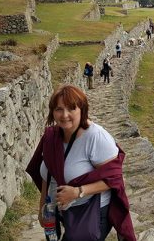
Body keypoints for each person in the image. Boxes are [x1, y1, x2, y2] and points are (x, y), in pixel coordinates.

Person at [26, 85, 135, 241]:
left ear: (82, 110)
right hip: (59, 210)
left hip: (90, 213)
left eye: (71, 109)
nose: (64, 115)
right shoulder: (51, 137)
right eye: (59, 109)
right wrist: (43, 208)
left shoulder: (96, 137)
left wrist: (78, 192)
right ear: (52, 111)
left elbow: (115, 179)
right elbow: (48, 176)